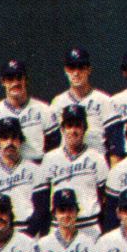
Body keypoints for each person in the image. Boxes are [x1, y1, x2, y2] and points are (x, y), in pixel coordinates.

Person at [37, 103, 110, 241]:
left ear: (84, 128)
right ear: (62, 129)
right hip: (59, 227)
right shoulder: (50, 158)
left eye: (77, 126)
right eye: (69, 126)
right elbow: (43, 200)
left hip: (89, 226)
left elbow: (105, 198)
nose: (73, 130)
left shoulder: (96, 157)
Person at [0, 117, 47, 237]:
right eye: (5, 138)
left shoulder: (36, 170)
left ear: (20, 140)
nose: (10, 142)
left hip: (28, 233)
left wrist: (27, 237)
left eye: (14, 137)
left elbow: (41, 210)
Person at [0, 59, 59, 163]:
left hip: (38, 166)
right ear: (3, 81)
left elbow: (54, 149)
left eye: (19, 78)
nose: (15, 83)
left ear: (26, 80)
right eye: (10, 79)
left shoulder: (44, 110)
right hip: (3, 168)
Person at [50, 46, 114, 154]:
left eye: (80, 67)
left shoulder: (103, 100)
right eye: (72, 68)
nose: (76, 73)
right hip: (67, 161)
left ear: (89, 69)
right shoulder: (58, 102)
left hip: (97, 159)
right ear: (66, 70)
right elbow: (52, 141)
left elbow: (115, 142)